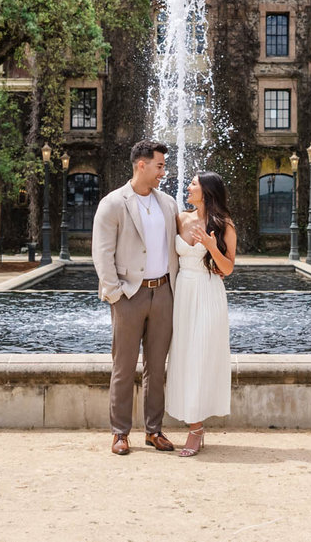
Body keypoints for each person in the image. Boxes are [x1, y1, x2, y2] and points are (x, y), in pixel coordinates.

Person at [91, 140, 180, 456]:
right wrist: (115, 295)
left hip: (163, 293)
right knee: (124, 367)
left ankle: (154, 431)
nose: (163, 172)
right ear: (141, 165)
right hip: (129, 295)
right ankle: (120, 433)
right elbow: (102, 253)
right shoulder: (113, 203)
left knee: (158, 367)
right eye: (159, 166)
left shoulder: (168, 204)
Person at [166, 172, 236, 457]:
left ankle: (196, 430)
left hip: (209, 292)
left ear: (206, 191)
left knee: (201, 357)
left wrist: (210, 247)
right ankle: (195, 426)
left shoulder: (225, 225)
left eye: (193, 184)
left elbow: (229, 268)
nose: (188, 187)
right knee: (184, 356)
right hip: (183, 292)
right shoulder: (180, 219)